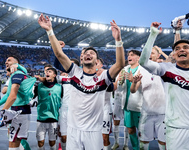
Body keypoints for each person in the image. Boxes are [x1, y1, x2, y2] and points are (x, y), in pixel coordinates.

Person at [38, 13, 125, 150]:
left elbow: (120, 64)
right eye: (85, 53)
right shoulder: (74, 72)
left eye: (92, 53)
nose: (88, 54)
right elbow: (59, 54)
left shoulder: (103, 78)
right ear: (82, 59)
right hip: (73, 130)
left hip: (94, 131)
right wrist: (49, 31)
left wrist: (118, 40)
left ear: (97, 61)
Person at [139, 21, 189, 150]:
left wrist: (177, 31)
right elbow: (143, 61)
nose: (181, 50)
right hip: (175, 128)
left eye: (185, 47)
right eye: (177, 49)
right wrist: (153, 35)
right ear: (173, 54)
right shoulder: (167, 69)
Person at [0, 56, 36, 150]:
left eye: (9, 60)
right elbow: (7, 95)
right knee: (16, 141)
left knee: (14, 143)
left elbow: (12, 96)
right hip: (17, 111)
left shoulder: (18, 73)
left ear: (16, 63)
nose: (6, 62)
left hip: (20, 112)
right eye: (5, 61)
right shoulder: (15, 75)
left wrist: (2, 113)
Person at [130, 46, 166, 150]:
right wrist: (135, 82)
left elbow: (173, 59)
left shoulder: (163, 68)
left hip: (163, 114)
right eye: (148, 53)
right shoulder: (140, 70)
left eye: (152, 53)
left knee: (163, 144)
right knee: (143, 144)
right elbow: (133, 90)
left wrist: (162, 52)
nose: (149, 55)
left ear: (158, 55)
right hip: (146, 113)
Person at [34, 67, 62, 150]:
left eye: (50, 71)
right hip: (41, 118)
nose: (47, 73)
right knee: (40, 142)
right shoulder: (39, 86)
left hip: (54, 119)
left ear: (54, 75)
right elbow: (31, 97)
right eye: (46, 71)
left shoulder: (60, 87)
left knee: (52, 142)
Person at [112, 67, 129, 150]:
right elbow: (114, 87)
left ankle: (126, 145)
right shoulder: (116, 76)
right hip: (117, 102)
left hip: (127, 102)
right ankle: (116, 143)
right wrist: (117, 80)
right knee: (115, 122)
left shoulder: (129, 76)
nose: (122, 72)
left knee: (127, 124)